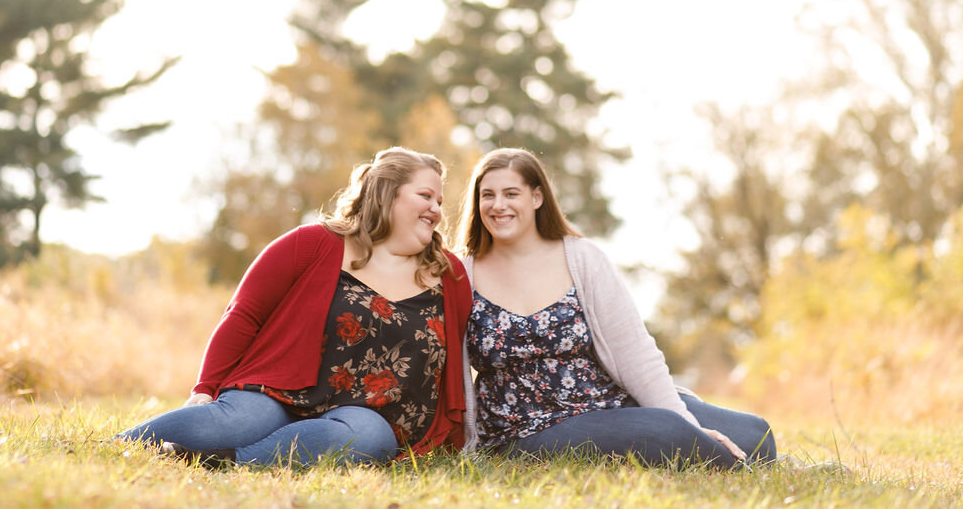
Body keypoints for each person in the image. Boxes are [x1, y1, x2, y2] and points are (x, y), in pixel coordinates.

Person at [116, 147, 472, 469]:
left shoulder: (448, 275)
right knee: (236, 423)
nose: (437, 210)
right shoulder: (311, 244)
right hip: (279, 394)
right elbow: (244, 315)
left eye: (440, 201)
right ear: (385, 192)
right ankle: (118, 446)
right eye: (426, 196)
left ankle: (229, 462)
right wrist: (205, 388)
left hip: (366, 416)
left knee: (367, 440)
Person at [458, 148, 776, 469]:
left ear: (537, 197)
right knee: (668, 433)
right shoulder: (463, 272)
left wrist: (686, 419)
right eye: (488, 195)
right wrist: (685, 430)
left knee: (755, 434)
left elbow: (635, 351)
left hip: (604, 404)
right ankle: (736, 470)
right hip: (525, 428)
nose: (498, 205)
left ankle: (730, 453)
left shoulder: (582, 258)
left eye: (511, 193)